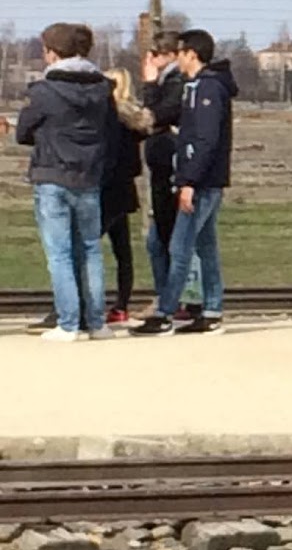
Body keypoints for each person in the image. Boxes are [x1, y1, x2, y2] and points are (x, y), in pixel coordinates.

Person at [131, 29, 238, 336]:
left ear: (192, 54)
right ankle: (212, 309)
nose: (175, 58)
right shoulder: (196, 87)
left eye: (179, 53)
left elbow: (204, 139)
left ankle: (165, 313)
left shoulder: (207, 89)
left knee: (180, 247)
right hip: (202, 179)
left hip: (201, 182)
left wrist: (188, 180)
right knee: (205, 247)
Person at [13, 22, 114, 342]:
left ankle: (69, 323)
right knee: (90, 250)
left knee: (59, 253)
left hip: (52, 173)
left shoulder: (45, 91)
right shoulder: (102, 89)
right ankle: (97, 322)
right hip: (89, 175)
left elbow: (23, 132)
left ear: (53, 53)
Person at [99, 69, 152, 326]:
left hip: (108, 188)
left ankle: (100, 302)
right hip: (123, 190)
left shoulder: (113, 120)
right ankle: (121, 304)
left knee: (88, 247)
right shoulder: (133, 121)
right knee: (123, 251)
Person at [139, 33, 187, 314]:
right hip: (162, 165)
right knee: (157, 240)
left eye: (153, 55)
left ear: (166, 55)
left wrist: (148, 83)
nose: (149, 61)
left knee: (168, 238)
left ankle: (173, 300)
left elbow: (155, 115)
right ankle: (167, 296)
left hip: (169, 167)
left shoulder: (175, 83)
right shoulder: (170, 82)